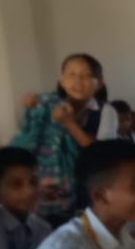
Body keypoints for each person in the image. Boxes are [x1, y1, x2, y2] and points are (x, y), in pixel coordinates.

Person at [11, 53, 119, 226]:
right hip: (48, 192)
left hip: (88, 193)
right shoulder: (45, 107)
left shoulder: (107, 112)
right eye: (71, 74)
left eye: (86, 75)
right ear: (62, 80)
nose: (78, 81)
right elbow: (27, 145)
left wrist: (69, 122)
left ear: (99, 83)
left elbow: (100, 154)